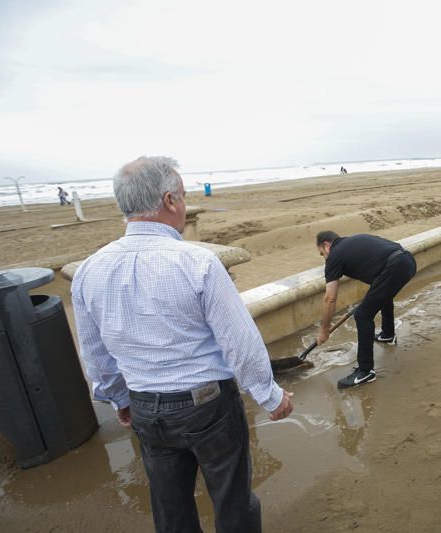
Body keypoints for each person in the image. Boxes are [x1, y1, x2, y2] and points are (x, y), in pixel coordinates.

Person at [72, 156, 293, 533]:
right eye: (184, 197)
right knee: (232, 501)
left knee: (170, 508)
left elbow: (95, 354)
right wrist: (270, 396)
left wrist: (119, 399)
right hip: (207, 405)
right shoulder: (197, 262)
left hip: (145, 406)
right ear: (171, 201)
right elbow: (239, 341)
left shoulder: (89, 270)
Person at [315, 231, 417, 389]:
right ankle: (388, 335)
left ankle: (365, 371)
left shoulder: (335, 255)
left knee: (362, 315)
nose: (324, 259)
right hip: (407, 261)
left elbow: (330, 298)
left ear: (327, 245)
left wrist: (324, 330)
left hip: (395, 267)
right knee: (383, 294)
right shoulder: (353, 242)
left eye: (322, 254)